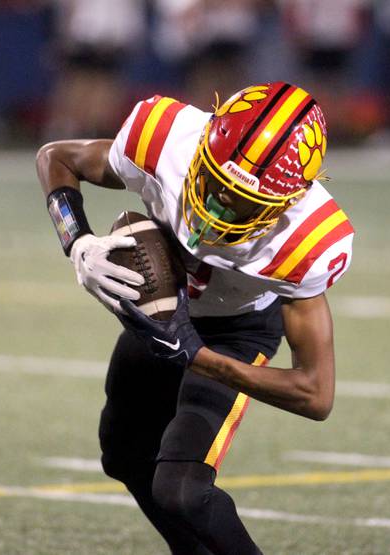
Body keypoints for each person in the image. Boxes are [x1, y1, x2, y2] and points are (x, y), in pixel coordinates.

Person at [35, 81, 354, 554]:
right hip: (165, 308)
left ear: (290, 200)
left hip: (237, 329)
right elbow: (54, 157)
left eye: (242, 202)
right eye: (213, 182)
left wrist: (198, 356)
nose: (216, 209)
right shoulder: (166, 139)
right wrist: (77, 241)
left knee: (182, 491)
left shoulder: (308, 242)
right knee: (123, 453)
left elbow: (315, 394)